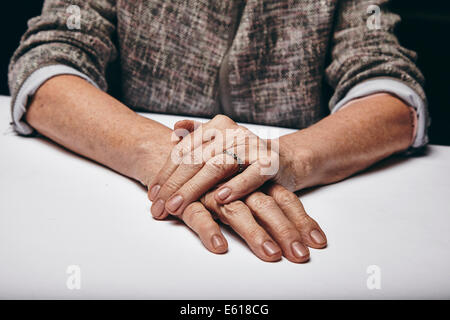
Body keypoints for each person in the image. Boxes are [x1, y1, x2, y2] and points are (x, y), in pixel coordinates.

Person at [8, 0, 429, 263]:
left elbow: (390, 89)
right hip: (128, 225)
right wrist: (161, 153)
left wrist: (286, 159)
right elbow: (48, 60)